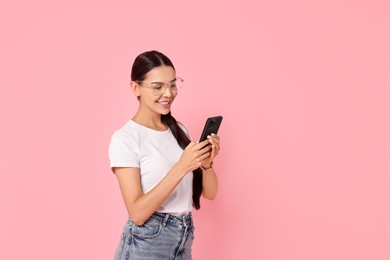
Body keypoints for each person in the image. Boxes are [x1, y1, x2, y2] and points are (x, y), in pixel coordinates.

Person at [108, 50, 221, 260]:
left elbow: (211, 194)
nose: (168, 93)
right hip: (146, 243)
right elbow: (138, 213)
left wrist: (206, 164)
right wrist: (182, 167)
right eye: (158, 87)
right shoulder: (125, 138)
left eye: (172, 84)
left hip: (183, 237)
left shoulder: (179, 130)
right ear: (136, 88)